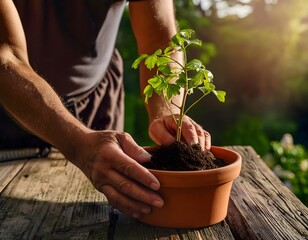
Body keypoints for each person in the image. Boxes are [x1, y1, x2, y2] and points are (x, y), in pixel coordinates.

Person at [0, 0, 211, 219]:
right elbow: (6, 56)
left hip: (95, 103)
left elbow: (159, 39)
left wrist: (165, 110)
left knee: (99, 215)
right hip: (9, 101)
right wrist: (78, 144)